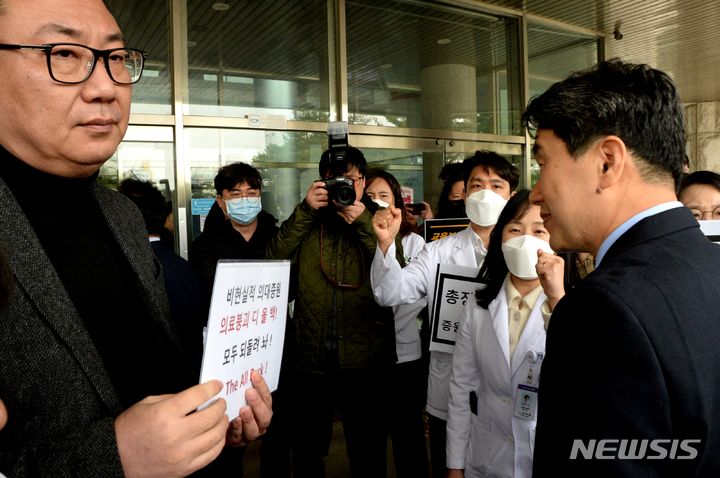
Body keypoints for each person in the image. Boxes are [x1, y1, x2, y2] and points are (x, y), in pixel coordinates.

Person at [0, 1, 271, 475]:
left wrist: (211, 420)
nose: (105, 87)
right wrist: (115, 457)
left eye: (117, 57)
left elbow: (159, 375)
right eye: (64, 53)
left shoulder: (122, 215)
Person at [524, 59, 720, 476]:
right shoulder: (711, 264)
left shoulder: (602, 310)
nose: (537, 193)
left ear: (607, 161)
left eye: (542, 163)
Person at [372, 150, 519, 477]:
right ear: (464, 193)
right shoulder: (438, 250)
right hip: (451, 387)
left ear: (511, 196)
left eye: (497, 186)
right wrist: (386, 244)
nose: (485, 193)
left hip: (508, 391)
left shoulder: (525, 252)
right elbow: (391, 292)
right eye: (477, 185)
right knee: (448, 466)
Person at [266, 146, 398, 477]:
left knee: (367, 451)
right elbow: (272, 260)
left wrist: (364, 223)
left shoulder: (379, 218)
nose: (344, 185)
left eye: (352, 179)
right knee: (308, 451)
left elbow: (399, 277)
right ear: (322, 181)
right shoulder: (308, 221)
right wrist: (305, 211)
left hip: (365, 357)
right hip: (310, 358)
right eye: (335, 179)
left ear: (363, 181)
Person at [446, 190, 565, 478]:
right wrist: (454, 464)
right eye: (515, 229)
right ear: (500, 238)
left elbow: (585, 381)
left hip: (545, 456)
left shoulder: (573, 305)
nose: (526, 240)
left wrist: (557, 299)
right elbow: (461, 386)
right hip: (487, 456)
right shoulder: (477, 305)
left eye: (539, 230)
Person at [365, 168, 430, 478]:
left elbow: (409, 295)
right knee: (369, 440)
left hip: (405, 354)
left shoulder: (416, 243)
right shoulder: (355, 240)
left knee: (409, 437)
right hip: (366, 359)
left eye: (384, 197)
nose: (377, 204)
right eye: (370, 198)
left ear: (397, 204)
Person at [190, 162, 279, 293]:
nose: (245, 200)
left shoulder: (278, 237)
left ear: (260, 196)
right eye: (236, 195)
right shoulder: (204, 245)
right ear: (220, 201)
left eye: (252, 193)